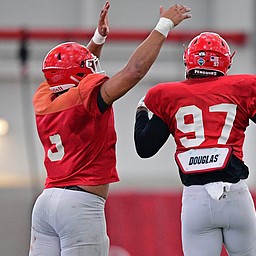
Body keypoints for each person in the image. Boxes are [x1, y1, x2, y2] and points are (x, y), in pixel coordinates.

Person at [29, 1, 191, 256]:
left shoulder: (44, 97)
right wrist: (164, 25)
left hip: (46, 203)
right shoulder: (84, 101)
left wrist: (97, 39)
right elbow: (134, 71)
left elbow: (75, 76)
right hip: (80, 204)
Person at [134, 32, 256, 256]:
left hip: (195, 199)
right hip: (235, 196)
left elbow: (144, 148)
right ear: (226, 61)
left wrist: (141, 113)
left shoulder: (169, 96)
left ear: (188, 60)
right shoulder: (241, 89)